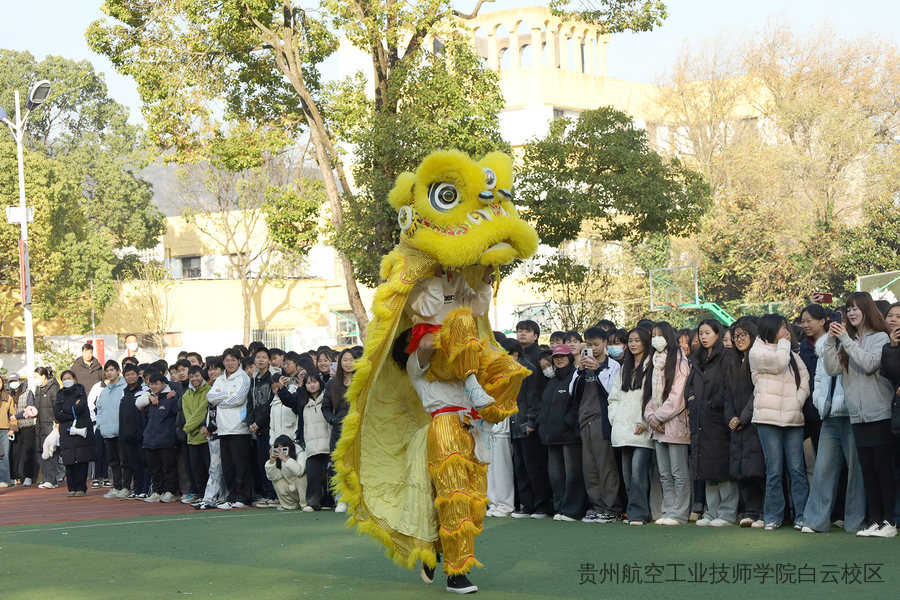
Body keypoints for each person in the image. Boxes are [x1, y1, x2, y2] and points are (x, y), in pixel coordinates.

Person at [823, 292, 895, 537]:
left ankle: (889, 522)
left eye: (855, 308)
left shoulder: (880, 337)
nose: (851, 313)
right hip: (857, 415)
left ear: (867, 309)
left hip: (880, 413)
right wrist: (831, 341)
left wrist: (845, 339)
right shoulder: (848, 340)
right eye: (848, 309)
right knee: (868, 471)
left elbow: (870, 364)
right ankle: (875, 519)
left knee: (883, 470)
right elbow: (832, 369)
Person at [801, 320, 866, 534]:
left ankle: (855, 521)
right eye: (835, 323)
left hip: (852, 414)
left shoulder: (857, 345)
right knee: (823, 469)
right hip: (829, 416)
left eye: (843, 323)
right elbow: (819, 379)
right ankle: (815, 521)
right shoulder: (824, 346)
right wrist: (820, 402)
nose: (837, 328)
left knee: (855, 471)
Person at [750, 314, 810, 531]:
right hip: (768, 418)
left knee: (797, 469)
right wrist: (785, 345)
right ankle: (773, 516)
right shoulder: (757, 351)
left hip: (793, 418)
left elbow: (804, 377)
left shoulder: (791, 353)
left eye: (786, 327)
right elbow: (778, 363)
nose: (786, 331)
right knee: (774, 470)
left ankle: (802, 515)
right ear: (770, 329)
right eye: (782, 328)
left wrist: (799, 400)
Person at [688, 319, 737, 527]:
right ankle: (711, 511)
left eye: (708, 332)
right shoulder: (697, 359)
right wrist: (691, 399)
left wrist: (711, 404)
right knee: (705, 467)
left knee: (721, 466)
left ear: (718, 334)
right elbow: (690, 385)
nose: (703, 337)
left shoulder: (727, 357)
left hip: (718, 418)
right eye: (701, 333)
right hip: (700, 418)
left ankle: (727, 513)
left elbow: (729, 387)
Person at [573, 327, 623, 523]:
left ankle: (612, 508)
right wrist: (580, 371)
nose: (592, 348)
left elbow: (612, 391)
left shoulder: (614, 366)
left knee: (606, 466)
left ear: (605, 343)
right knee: (590, 467)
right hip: (584, 419)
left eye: (596, 344)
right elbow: (572, 392)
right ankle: (597, 506)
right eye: (589, 344)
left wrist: (598, 370)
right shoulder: (582, 365)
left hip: (603, 420)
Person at [644, 322, 692, 526]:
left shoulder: (680, 360)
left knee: (678, 472)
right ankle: (668, 509)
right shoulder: (651, 361)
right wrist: (650, 416)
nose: (657, 338)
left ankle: (680, 513)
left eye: (660, 334)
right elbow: (648, 394)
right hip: (657, 425)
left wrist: (658, 417)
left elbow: (677, 395)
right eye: (653, 335)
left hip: (675, 423)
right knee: (664, 473)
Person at [502, 337, 552, 519]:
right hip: (515, 425)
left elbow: (534, 398)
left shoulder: (529, 370)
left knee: (534, 468)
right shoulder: (509, 371)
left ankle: (542, 505)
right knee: (521, 468)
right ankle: (527, 505)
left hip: (527, 425)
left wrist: (531, 421)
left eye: (507, 354)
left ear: (516, 353)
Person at [608, 328, 654, 526]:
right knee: (627, 475)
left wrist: (644, 421)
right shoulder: (624, 368)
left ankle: (639, 513)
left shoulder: (653, 366)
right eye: (630, 341)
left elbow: (653, 396)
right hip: (622, 428)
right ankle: (633, 510)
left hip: (642, 428)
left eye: (637, 340)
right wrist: (615, 418)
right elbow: (614, 397)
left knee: (638, 472)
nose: (633, 344)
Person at [537, 344, 587, 522]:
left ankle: (573, 510)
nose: (559, 360)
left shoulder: (575, 377)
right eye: (556, 357)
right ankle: (560, 508)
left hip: (569, 436)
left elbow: (577, 404)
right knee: (556, 476)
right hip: (551, 436)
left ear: (570, 358)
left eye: (563, 357)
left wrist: (568, 423)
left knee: (573, 474)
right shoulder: (551, 382)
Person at [724, 320, 766, 528]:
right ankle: (750, 511)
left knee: (757, 469)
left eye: (742, 335)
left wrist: (743, 417)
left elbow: (757, 391)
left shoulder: (757, 359)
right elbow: (727, 395)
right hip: (737, 423)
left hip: (754, 421)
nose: (738, 340)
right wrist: (731, 417)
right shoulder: (733, 363)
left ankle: (763, 512)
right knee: (741, 469)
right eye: (735, 336)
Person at [207, 348, 253, 509]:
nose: (230, 363)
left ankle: (243, 497)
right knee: (228, 467)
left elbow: (238, 399)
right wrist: (226, 395)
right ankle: (231, 496)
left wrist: (221, 399)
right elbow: (210, 397)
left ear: (239, 361)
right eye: (227, 360)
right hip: (223, 429)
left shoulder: (243, 377)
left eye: (233, 360)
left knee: (241, 465)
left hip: (239, 428)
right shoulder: (220, 379)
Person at [323, 347, 361, 513]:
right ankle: (341, 498)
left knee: (358, 463)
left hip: (358, 429)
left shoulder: (361, 380)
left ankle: (358, 499)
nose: (348, 363)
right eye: (345, 360)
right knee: (339, 464)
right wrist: (332, 420)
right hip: (339, 430)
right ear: (340, 363)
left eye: (351, 359)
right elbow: (325, 407)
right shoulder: (332, 384)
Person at [138, 371, 179, 503]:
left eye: (156, 384)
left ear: (164, 384)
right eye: (151, 384)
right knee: (154, 469)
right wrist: (149, 396)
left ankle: (169, 491)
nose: (153, 386)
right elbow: (139, 406)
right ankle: (157, 491)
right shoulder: (150, 400)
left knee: (168, 467)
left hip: (166, 440)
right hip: (150, 440)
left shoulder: (171, 399)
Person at [53, 371, 96, 496]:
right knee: (68, 459)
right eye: (64, 379)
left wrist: (65, 410)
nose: (66, 380)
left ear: (74, 379)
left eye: (69, 378)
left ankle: (81, 488)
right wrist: (72, 409)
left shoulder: (80, 390)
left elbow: (80, 408)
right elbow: (57, 413)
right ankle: (71, 488)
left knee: (81, 458)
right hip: (66, 431)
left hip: (80, 429)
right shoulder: (59, 394)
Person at [96, 360, 131, 498]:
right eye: (107, 370)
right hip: (107, 432)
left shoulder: (125, 387)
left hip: (121, 431)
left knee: (125, 461)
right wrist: (101, 424)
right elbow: (99, 409)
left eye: (112, 370)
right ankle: (117, 486)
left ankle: (126, 487)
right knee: (113, 462)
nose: (109, 373)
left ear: (118, 371)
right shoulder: (104, 391)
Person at [248, 347, 277, 508]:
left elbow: (269, 404)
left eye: (264, 357)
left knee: (270, 460)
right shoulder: (254, 379)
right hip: (257, 429)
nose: (260, 360)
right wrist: (251, 422)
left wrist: (258, 423)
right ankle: (267, 493)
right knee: (261, 463)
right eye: (258, 357)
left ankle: (273, 494)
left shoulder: (272, 378)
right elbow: (250, 402)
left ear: (269, 361)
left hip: (269, 427)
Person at [301, 374, 332, 512]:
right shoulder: (303, 403)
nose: (312, 385)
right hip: (312, 445)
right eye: (308, 383)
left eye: (314, 382)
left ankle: (330, 501)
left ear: (320, 383)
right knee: (313, 476)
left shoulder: (327, 399)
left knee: (330, 475)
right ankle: (313, 503)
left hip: (327, 442)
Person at [119, 363, 149, 498]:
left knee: (144, 463)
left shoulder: (144, 389)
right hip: (127, 435)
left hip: (141, 434)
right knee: (133, 464)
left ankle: (145, 489)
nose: (130, 377)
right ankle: (137, 489)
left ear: (138, 375)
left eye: (132, 374)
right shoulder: (124, 392)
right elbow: (121, 415)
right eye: (127, 375)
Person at [182, 366, 211, 504]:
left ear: (202, 376)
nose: (194, 379)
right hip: (192, 437)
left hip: (205, 436)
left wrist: (188, 427)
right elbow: (187, 414)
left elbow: (202, 412)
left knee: (209, 468)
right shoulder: (186, 395)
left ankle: (209, 494)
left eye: (197, 375)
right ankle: (200, 494)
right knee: (196, 469)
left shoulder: (209, 391)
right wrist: (190, 428)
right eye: (192, 376)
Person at [33, 368, 60, 489]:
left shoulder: (53, 388)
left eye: (36, 376)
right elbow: (36, 405)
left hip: (50, 425)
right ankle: (46, 478)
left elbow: (57, 407)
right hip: (40, 424)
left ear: (43, 376)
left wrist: (57, 423)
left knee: (51, 451)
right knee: (41, 452)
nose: (35, 379)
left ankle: (51, 479)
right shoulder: (38, 389)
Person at [8, 373, 37, 486]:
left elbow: (29, 408)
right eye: (11, 382)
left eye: (15, 381)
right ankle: (14, 477)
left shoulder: (28, 392)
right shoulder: (8, 394)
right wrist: (12, 417)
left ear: (20, 381)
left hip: (27, 425)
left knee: (27, 452)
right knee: (14, 453)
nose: (13, 383)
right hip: (14, 427)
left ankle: (28, 476)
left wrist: (17, 416)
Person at [265, 434, 307, 510]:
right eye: (279, 449)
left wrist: (285, 459)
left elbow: (300, 472)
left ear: (290, 446)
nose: (281, 451)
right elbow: (274, 477)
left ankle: (305, 504)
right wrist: (272, 461)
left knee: (301, 477)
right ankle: (289, 504)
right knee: (276, 481)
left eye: (284, 448)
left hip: (304, 490)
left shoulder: (300, 453)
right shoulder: (279, 459)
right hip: (291, 490)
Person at [0, 376, 15, 488]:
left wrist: (12, 428)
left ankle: (5, 480)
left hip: (4, 429)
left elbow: (13, 414)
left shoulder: (8, 398)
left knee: (4, 455)